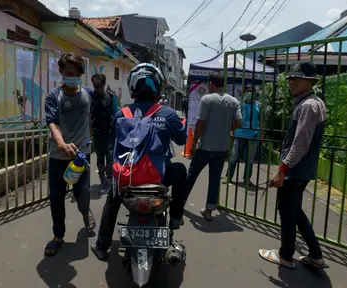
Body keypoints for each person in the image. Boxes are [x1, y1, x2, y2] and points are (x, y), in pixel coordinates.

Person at [91, 63, 187, 261]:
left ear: (132, 88)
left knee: (113, 199)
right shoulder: (167, 113)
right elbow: (182, 140)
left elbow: (112, 143)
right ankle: (176, 218)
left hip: (128, 178)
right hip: (157, 177)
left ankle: (102, 246)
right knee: (180, 170)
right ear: (158, 87)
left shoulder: (121, 115)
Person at [259, 62, 328, 269]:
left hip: (295, 169)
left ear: (311, 81)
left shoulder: (308, 105)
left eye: (297, 78)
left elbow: (300, 143)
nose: (292, 82)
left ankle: (285, 255)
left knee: (287, 210)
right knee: (294, 209)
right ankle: (316, 255)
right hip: (302, 168)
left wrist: (282, 169)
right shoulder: (311, 102)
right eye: (290, 78)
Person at [44, 52, 96, 257]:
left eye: (75, 73)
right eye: (67, 73)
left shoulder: (89, 94)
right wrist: (62, 143)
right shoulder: (53, 96)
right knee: (56, 199)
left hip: (81, 158)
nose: (71, 77)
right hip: (58, 157)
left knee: (82, 196)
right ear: (61, 73)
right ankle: (58, 236)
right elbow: (52, 123)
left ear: (80, 74)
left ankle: (85, 212)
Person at [182, 72, 242, 221]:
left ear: (210, 84)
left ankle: (180, 202)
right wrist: (228, 129)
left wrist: (194, 143)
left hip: (205, 147)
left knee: (191, 175)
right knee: (214, 180)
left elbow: (200, 123)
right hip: (221, 148)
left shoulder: (207, 99)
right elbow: (239, 123)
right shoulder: (234, 101)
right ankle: (208, 210)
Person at [223, 85, 263, 186]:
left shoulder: (259, 106)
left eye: (251, 91)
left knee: (250, 159)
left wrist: (261, 135)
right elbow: (233, 118)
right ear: (244, 93)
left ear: (254, 94)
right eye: (247, 91)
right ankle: (229, 177)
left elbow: (261, 121)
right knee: (234, 157)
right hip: (239, 134)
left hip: (253, 135)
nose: (249, 93)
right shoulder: (239, 104)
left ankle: (247, 179)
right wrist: (231, 130)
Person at [90, 74, 119, 194]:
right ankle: (103, 181)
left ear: (103, 84)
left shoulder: (111, 97)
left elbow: (116, 113)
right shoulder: (90, 97)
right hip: (97, 132)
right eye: (95, 85)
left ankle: (110, 179)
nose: (97, 88)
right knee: (99, 158)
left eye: (99, 85)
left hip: (109, 132)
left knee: (109, 156)